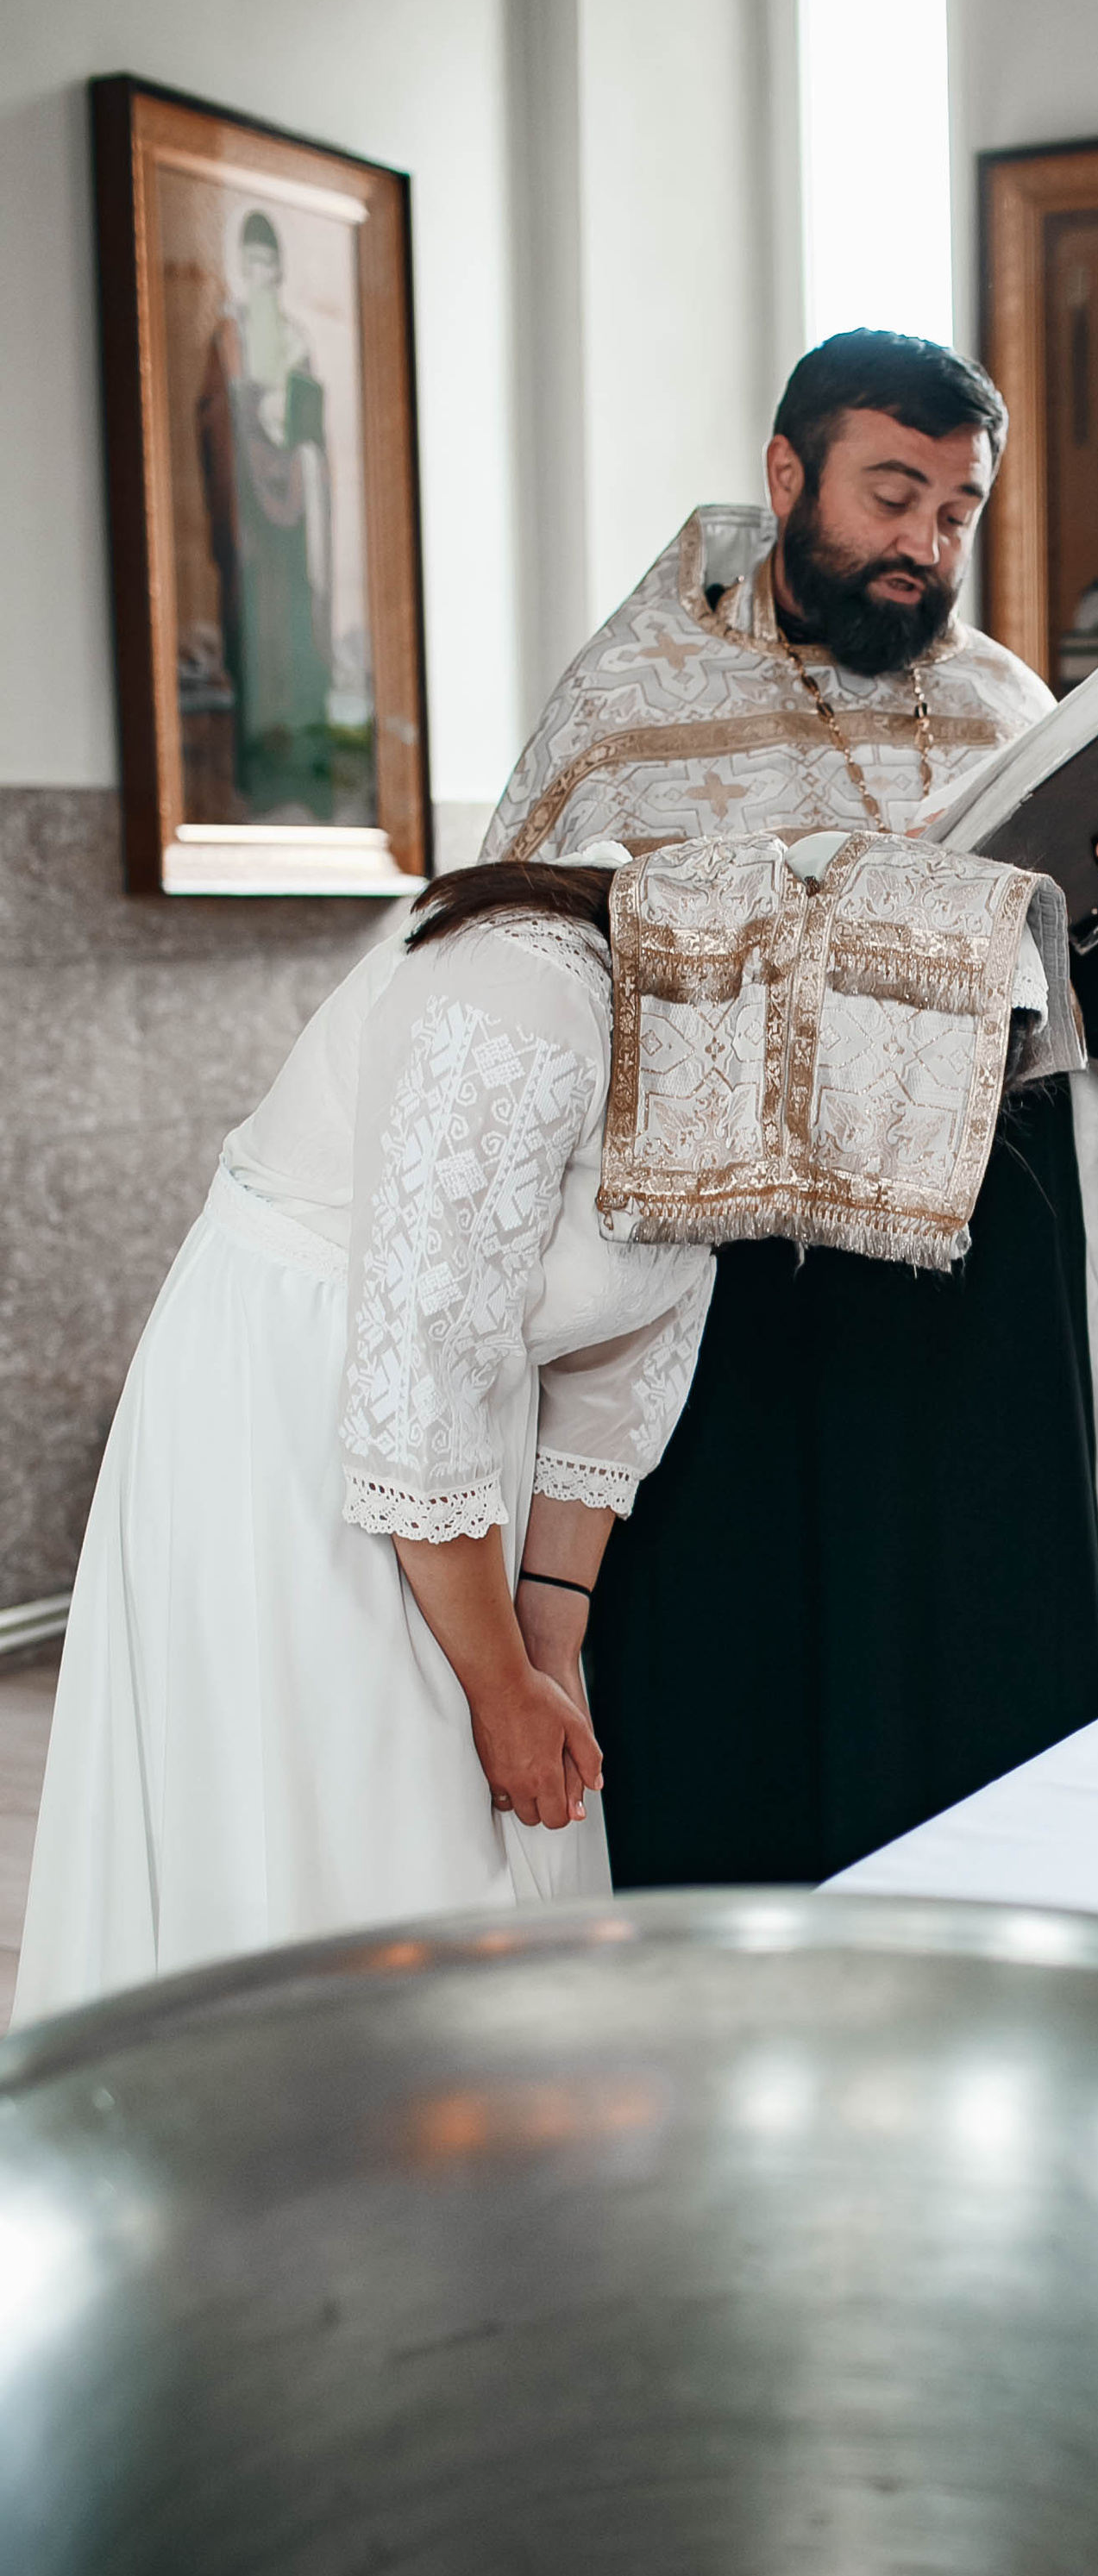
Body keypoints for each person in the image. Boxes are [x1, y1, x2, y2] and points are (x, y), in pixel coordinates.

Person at [482, 327, 1098, 1887]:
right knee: (733, 1713)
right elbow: (520, 994)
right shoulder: (623, 709)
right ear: (785, 478)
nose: (925, 543)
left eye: (957, 511)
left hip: (976, 1309)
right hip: (727, 1318)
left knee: (981, 1728)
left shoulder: (1003, 706)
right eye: (894, 494)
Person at [13, 865, 713, 2026]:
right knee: (363, 1797)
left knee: (494, 1806)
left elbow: (635, 1343)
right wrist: (498, 1692)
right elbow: (416, 1384)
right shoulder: (523, 992)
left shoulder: (740, 1067)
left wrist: (546, 1640)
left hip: (468, 1417)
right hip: (302, 1396)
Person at [196, 208, 342, 821]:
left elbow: (311, 434)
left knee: (297, 632)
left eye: (265, 261)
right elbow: (212, 419)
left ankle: (305, 776)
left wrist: (290, 415)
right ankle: (258, 775)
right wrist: (246, 414)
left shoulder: (296, 340)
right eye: (248, 262)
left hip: (292, 522)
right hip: (250, 522)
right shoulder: (227, 340)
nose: (257, 272)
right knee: (257, 633)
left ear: (278, 266)